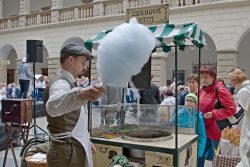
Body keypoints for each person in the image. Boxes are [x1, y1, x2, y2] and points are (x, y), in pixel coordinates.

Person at [44, 44, 106, 167]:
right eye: (82, 62)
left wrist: (86, 140)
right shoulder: (60, 82)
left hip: (70, 148)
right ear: (71, 60)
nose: (85, 67)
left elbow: (78, 119)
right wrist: (81, 95)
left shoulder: (69, 81)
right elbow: (53, 106)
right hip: (66, 152)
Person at [199, 65, 236, 164]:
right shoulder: (203, 89)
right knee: (199, 154)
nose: (203, 79)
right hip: (203, 129)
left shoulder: (220, 90)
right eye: (201, 77)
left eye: (206, 77)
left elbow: (231, 109)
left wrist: (213, 113)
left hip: (217, 131)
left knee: (218, 159)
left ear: (213, 77)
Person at [228, 69, 250, 167]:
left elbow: (242, 111)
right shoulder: (245, 89)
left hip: (244, 122)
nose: (231, 83)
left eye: (231, 81)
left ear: (236, 80)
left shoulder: (243, 91)